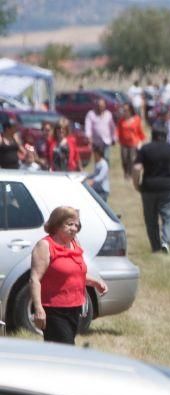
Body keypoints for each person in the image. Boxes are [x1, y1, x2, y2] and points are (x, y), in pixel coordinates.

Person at [29, 206, 107, 344]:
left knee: (61, 352)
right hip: (54, 310)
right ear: (57, 224)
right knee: (65, 351)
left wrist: (95, 282)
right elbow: (35, 279)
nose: (74, 228)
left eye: (77, 225)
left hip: (74, 308)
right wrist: (38, 308)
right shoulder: (45, 245)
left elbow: (76, 275)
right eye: (70, 224)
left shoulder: (74, 244)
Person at [132, 122, 170, 254]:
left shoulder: (145, 149)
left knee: (151, 219)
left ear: (152, 135)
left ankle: (155, 247)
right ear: (166, 136)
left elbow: (136, 168)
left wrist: (137, 184)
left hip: (149, 187)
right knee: (169, 217)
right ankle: (166, 242)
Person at [116, 103, 145, 179]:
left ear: (131, 110)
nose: (125, 111)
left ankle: (131, 175)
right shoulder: (121, 120)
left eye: (126, 110)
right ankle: (126, 173)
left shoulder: (136, 119)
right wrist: (117, 138)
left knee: (132, 159)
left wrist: (141, 141)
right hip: (124, 143)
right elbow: (118, 130)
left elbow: (140, 131)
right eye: (124, 110)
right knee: (124, 159)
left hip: (134, 143)